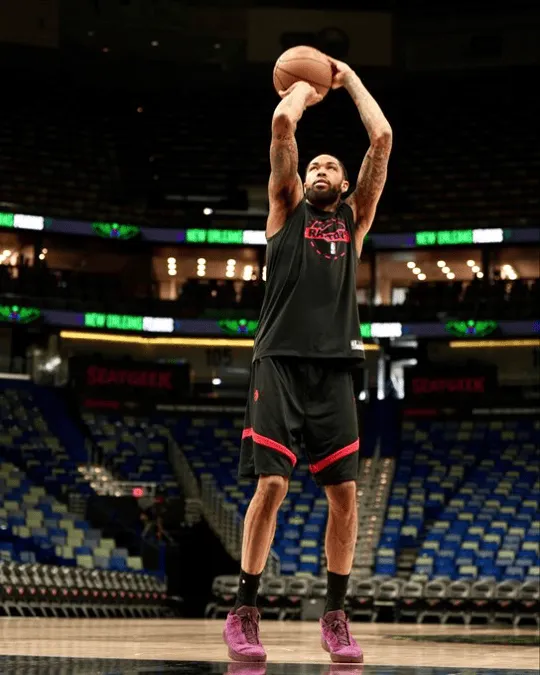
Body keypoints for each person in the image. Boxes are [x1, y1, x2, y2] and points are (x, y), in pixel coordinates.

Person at [223, 55, 392, 664]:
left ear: (344, 186)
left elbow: (381, 137)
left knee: (344, 495)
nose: (320, 170)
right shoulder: (285, 208)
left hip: (336, 368)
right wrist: (300, 89)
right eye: (314, 165)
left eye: (331, 167)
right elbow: (281, 128)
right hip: (279, 362)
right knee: (272, 483)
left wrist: (348, 81)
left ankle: (336, 616)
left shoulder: (354, 219)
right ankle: (245, 609)